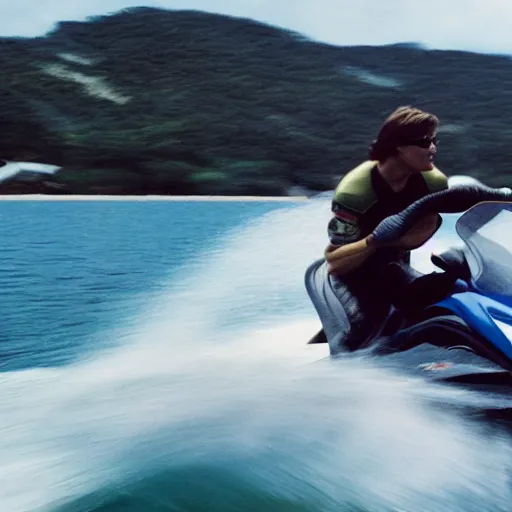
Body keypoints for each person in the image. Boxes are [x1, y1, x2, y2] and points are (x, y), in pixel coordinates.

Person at [323, 105, 459, 352]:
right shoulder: (354, 192)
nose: (433, 148)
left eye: (435, 140)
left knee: (449, 290)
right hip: (353, 272)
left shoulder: (434, 182)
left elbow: (424, 228)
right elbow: (335, 262)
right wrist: (374, 241)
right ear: (399, 146)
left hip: (393, 264)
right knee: (375, 315)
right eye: (425, 142)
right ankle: (340, 374)